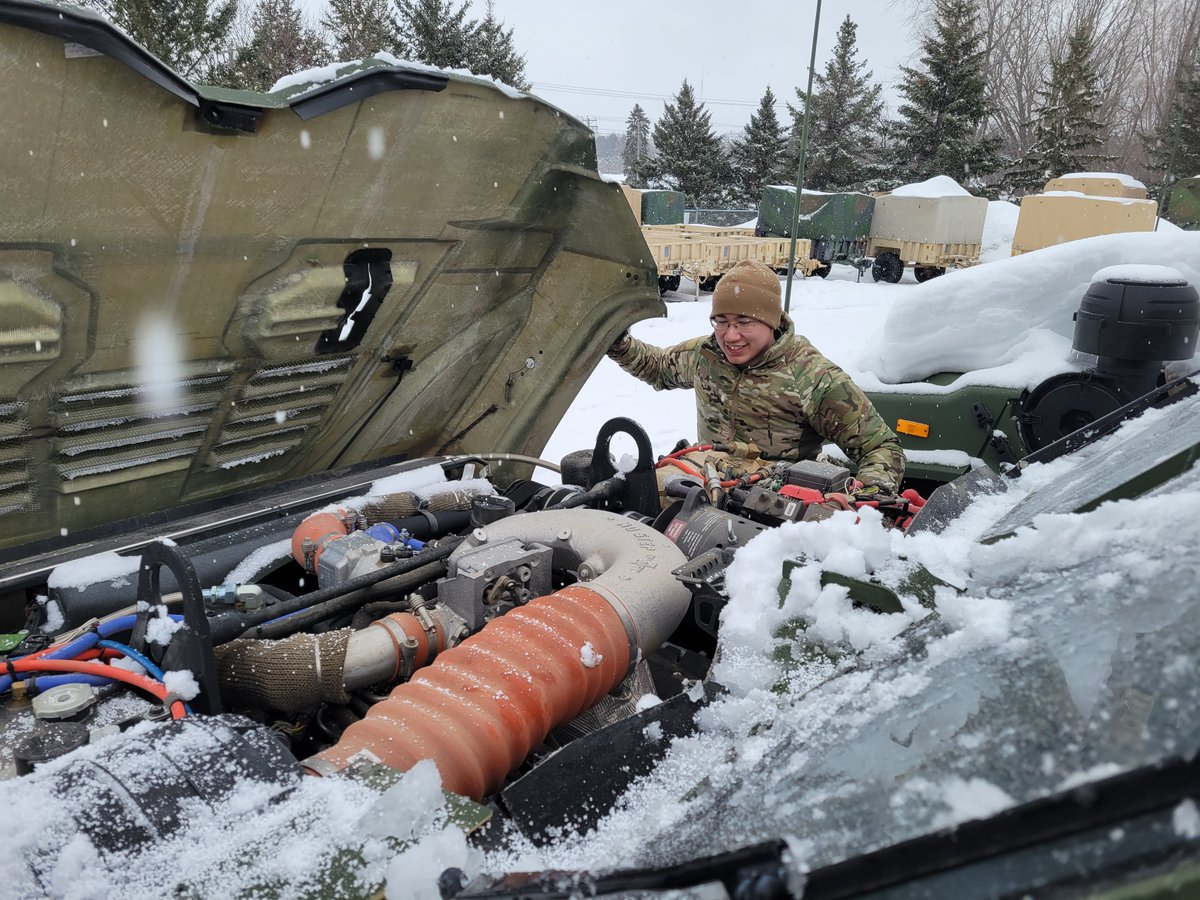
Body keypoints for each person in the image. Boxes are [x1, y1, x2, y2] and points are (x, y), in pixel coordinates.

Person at [607, 259, 905, 495]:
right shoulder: (706, 355)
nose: (730, 336)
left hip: (777, 507)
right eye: (721, 322)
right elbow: (658, 367)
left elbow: (881, 448)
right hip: (707, 490)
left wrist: (867, 494)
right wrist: (618, 343)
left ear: (770, 321)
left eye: (744, 322)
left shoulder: (811, 376)